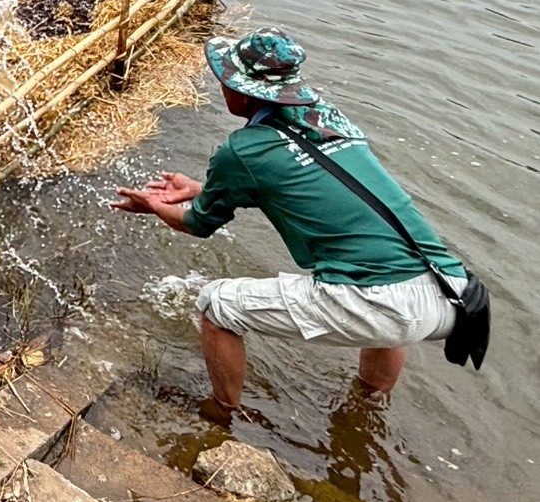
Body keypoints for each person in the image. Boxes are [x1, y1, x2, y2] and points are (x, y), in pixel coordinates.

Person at [113, 27, 469, 420]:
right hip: (448, 293)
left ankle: (220, 412)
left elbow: (198, 224)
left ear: (245, 91)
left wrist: (153, 205)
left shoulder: (242, 149)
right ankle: (369, 407)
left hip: (380, 304)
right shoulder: (330, 119)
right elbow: (299, 187)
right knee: (385, 312)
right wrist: (204, 187)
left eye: (225, 81)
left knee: (217, 305)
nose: (221, 88)